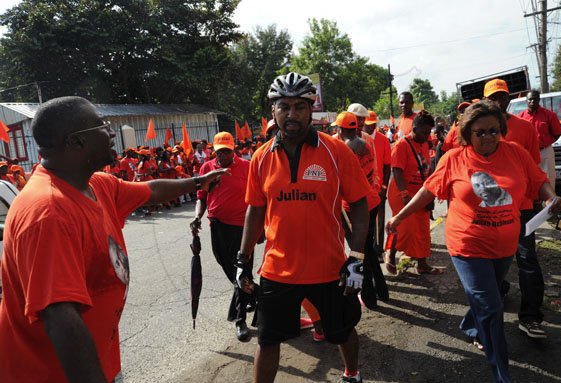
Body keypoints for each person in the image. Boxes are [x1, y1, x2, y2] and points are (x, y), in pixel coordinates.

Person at [0, 96, 228, 383]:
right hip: (52, 374)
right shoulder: (48, 213)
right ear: (75, 142)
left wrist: (197, 182)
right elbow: (61, 318)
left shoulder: (96, 184)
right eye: (101, 126)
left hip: (100, 362)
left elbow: (151, 190)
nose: (110, 132)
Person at [386, 100, 561, 383]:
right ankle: (501, 373)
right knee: (492, 307)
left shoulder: (516, 154)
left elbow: (538, 179)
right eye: (480, 132)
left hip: (504, 245)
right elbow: (427, 191)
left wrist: (550, 197)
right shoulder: (454, 159)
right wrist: (398, 217)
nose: (488, 137)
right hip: (467, 245)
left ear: (501, 130)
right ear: (468, 134)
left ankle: (471, 325)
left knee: (490, 293)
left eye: (493, 131)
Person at [237, 72, 370, 383]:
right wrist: (242, 260)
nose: (292, 114)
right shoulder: (260, 158)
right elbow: (255, 211)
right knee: (267, 340)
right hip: (277, 269)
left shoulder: (336, 152)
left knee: (342, 331)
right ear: (273, 110)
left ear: (312, 110)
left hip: (329, 268)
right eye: (284, 106)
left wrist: (358, 257)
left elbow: (360, 204)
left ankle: (352, 374)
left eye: (300, 106)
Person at [483, 79, 548, 339]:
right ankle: (486, 315)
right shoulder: (479, 129)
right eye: (494, 97)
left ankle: (531, 318)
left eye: (503, 96)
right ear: (487, 100)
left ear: (510, 98)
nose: (499, 101)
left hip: (521, 208)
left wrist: (539, 199)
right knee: (487, 263)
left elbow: (534, 170)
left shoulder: (524, 128)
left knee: (527, 260)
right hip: (487, 210)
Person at [191, 131, 254, 342]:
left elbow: (258, 201)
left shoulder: (247, 167)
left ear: (234, 150)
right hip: (217, 227)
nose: (222, 156)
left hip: (243, 229)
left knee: (241, 271)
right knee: (231, 270)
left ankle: (240, 320)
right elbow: (201, 196)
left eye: (226, 151)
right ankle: (256, 296)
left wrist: (260, 229)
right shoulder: (206, 168)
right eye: (219, 152)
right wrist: (197, 217)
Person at [332, 111, 389, 308]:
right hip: (371, 201)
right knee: (368, 250)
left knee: (359, 252)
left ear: (339, 129)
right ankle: (382, 291)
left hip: (353, 207)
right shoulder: (366, 141)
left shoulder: (343, 148)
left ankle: (368, 296)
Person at [386, 111, 440, 275]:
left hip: (420, 192)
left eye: (428, 132)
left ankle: (422, 264)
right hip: (402, 192)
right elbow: (396, 171)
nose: (426, 136)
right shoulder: (402, 145)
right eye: (424, 132)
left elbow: (426, 170)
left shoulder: (424, 143)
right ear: (414, 129)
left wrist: (430, 194)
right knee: (400, 225)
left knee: (422, 228)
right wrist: (404, 195)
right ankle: (390, 253)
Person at [518, 89, 561, 188]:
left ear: (539, 100)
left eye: (534, 99)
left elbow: (557, 133)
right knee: (529, 181)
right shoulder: (521, 117)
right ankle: (534, 203)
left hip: (545, 152)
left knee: (549, 180)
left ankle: (549, 203)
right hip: (528, 154)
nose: (532, 101)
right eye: (530, 99)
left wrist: (546, 142)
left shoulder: (549, 115)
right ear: (526, 101)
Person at [363, 110, 392, 258]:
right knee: (366, 222)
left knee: (380, 219)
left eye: (370, 125)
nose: (368, 127)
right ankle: (369, 249)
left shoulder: (383, 140)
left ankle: (379, 249)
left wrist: (384, 187)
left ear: (375, 124)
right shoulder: (360, 140)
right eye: (366, 125)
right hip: (363, 189)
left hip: (379, 188)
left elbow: (387, 166)